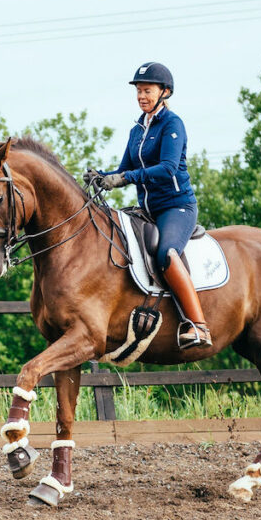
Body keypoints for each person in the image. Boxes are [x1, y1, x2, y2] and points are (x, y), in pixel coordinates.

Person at [87, 61, 211, 348]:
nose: (142, 96)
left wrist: (124, 178)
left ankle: (199, 325)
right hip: (148, 210)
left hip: (176, 207)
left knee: (167, 253)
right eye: (139, 91)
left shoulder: (172, 124)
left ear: (164, 92)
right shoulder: (137, 131)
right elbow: (124, 168)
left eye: (147, 90)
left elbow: (167, 168)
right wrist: (101, 177)